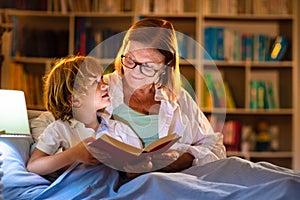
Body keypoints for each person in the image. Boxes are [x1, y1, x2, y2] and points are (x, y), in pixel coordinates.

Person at [102, 18, 226, 174]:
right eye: (130, 59)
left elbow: (216, 148)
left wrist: (185, 159)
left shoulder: (180, 97)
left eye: (147, 66)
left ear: (166, 66)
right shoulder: (99, 90)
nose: (134, 72)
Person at [26, 55, 138, 181]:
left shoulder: (117, 127)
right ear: (74, 99)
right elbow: (33, 166)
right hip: (80, 189)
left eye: (101, 78)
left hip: (113, 189)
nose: (105, 85)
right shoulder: (60, 128)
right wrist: (74, 154)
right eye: (95, 82)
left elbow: (137, 162)